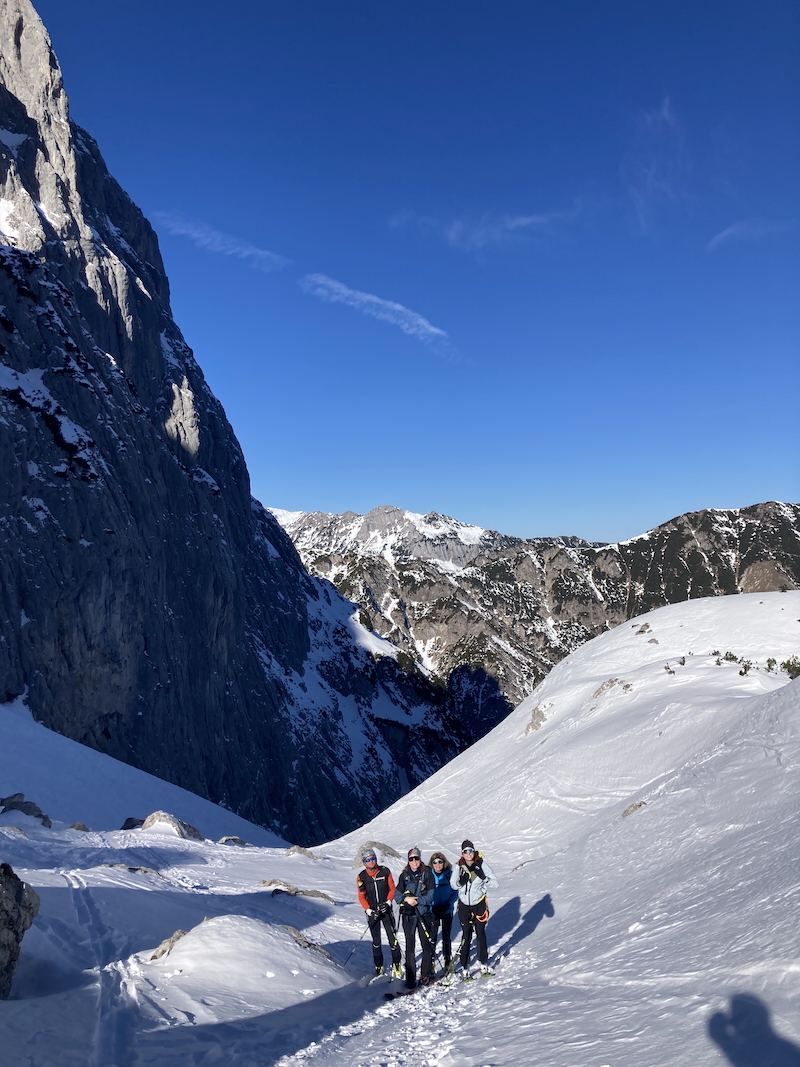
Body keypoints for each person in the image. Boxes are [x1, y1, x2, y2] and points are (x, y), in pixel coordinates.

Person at [450, 838, 498, 979]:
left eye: (470, 850)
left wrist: (484, 878)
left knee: (480, 934)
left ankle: (483, 964)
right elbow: (453, 884)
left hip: (479, 904)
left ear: (474, 851)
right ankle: (465, 967)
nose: (468, 854)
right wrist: (461, 882)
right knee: (466, 936)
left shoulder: (481, 865)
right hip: (464, 906)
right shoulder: (459, 866)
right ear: (462, 853)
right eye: (465, 851)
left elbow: (495, 884)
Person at [356, 848, 402, 978]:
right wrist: (368, 910)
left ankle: (397, 964)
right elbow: (361, 896)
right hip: (372, 912)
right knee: (376, 941)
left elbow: (392, 889)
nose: (371, 861)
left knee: (392, 939)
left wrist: (388, 903)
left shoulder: (385, 871)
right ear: (364, 862)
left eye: (373, 858)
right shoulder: (361, 877)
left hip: (386, 909)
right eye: (368, 860)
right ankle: (379, 966)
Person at [394, 846, 435, 988]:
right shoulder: (404, 876)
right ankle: (410, 979)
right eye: (411, 859)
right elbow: (397, 895)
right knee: (409, 947)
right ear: (408, 860)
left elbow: (431, 895)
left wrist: (417, 901)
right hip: (409, 916)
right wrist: (407, 899)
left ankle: (425, 975)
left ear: (420, 858)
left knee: (426, 945)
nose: (414, 861)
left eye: (416, 858)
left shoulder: (427, 874)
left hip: (423, 914)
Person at [428, 851, 458, 973]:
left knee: (446, 936)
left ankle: (447, 960)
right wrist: (431, 906)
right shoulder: (428, 875)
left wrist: (448, 904)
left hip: (446, 909)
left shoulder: (449, 875)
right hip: (433, 910)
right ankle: (431, 962)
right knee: (432, 937)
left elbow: (455, 892)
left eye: (440, 862)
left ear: (444, 862)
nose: (437, 864)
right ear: (432, 863)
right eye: (435, 862)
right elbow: (424, 892)